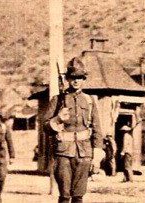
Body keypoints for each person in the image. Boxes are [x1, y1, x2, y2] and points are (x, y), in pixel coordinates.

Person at [44, 57, 99, 203]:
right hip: (63, 152)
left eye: (79, 77)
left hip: (84, 152)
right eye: (73, 77)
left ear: (83, 79)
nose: (76, 81)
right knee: (64, 195)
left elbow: (97, 129)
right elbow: (45, 126)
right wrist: (57, 119)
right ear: (68, 79)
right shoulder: (57, 100)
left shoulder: (89, 100)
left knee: (79, 195)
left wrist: (97, 154)